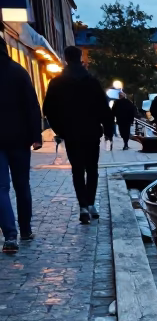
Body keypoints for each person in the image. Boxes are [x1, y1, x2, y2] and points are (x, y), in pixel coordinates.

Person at [42, 46, 112, 224]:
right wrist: (109, 132)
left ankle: (82, 205)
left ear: (65, 59)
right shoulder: (92, 81)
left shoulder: (57, 82)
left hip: (71, 133)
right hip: (91, 132)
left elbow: (48, 109)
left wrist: (60, 130)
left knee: (78, 170)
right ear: (80, 58)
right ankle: (91, 203)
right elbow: (104, 109)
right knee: (92, 169)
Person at [0, 37, 42, 252]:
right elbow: (32, 106)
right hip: (19, 138)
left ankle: (9, 235)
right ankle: (25, 229)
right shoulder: (18, 71)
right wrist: (37, 136)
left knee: (1, 188)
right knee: (21, 184)